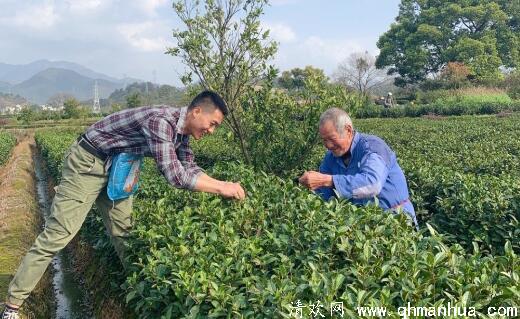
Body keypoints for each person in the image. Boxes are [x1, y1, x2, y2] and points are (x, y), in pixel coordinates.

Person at [2, 90, 245, 318]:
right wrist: (223, 188)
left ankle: (139, 303)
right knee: (58, 234)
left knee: (125, 235)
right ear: (196, 112)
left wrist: (223, 183)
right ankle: (13, 304)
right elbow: (175, 175)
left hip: (120, 167)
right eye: (213, 124)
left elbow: (189, 167)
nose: (212, 131)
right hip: (88, 163)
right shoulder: (160, 121)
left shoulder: (182, 134)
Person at [298, 107, 417, 227]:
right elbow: (325, 196)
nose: (328, 145)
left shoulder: (372, 147)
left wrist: (329, 180)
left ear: (348, 131)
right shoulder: (330, 158)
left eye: (332, 139)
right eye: (324, 140)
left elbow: (373, 184)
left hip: (397, 220)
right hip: (363, 226)